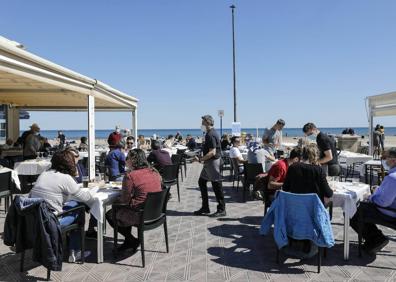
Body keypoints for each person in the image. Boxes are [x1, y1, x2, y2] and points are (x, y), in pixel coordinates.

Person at [29, 150, 95, 262]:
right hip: (50, 222)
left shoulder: (44, 174)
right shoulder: (65, 178)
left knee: (74, 205)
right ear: (69, 163)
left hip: (33, 220)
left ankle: (70, 247)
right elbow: (86, 198)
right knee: (80, 209)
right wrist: (93, 193)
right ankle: (75, 251)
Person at [105, 149, 162, 252]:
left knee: (110, 214)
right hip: (156, 213)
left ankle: (132, 240)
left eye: (127, 158)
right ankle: (128, 242)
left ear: (133, 160)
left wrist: (114, 201)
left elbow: (124, 200)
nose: (125, 160)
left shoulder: (131, 176)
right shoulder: (154, 172)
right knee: (125, 208)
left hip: (140, 215)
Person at [350, 148, 396, 255]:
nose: (383, 160)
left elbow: (383, 202)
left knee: (352, 211)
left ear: (393, 160)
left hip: (389, 212)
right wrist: (378, 190)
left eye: (385, 157)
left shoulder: (393, 178)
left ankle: (376, 239)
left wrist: (371, 197)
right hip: (392, 209)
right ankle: (375, 237)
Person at [194, 115, 226, 217]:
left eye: (203, 122)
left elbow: (212, 152)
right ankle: (205, 207)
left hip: (212, 162)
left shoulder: (211, 134)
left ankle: (221, 209)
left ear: (207, 122)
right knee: (202, 182)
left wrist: (200, 159)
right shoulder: (210, 133)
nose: (201, 125)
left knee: (216, 185)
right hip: (209, 162)